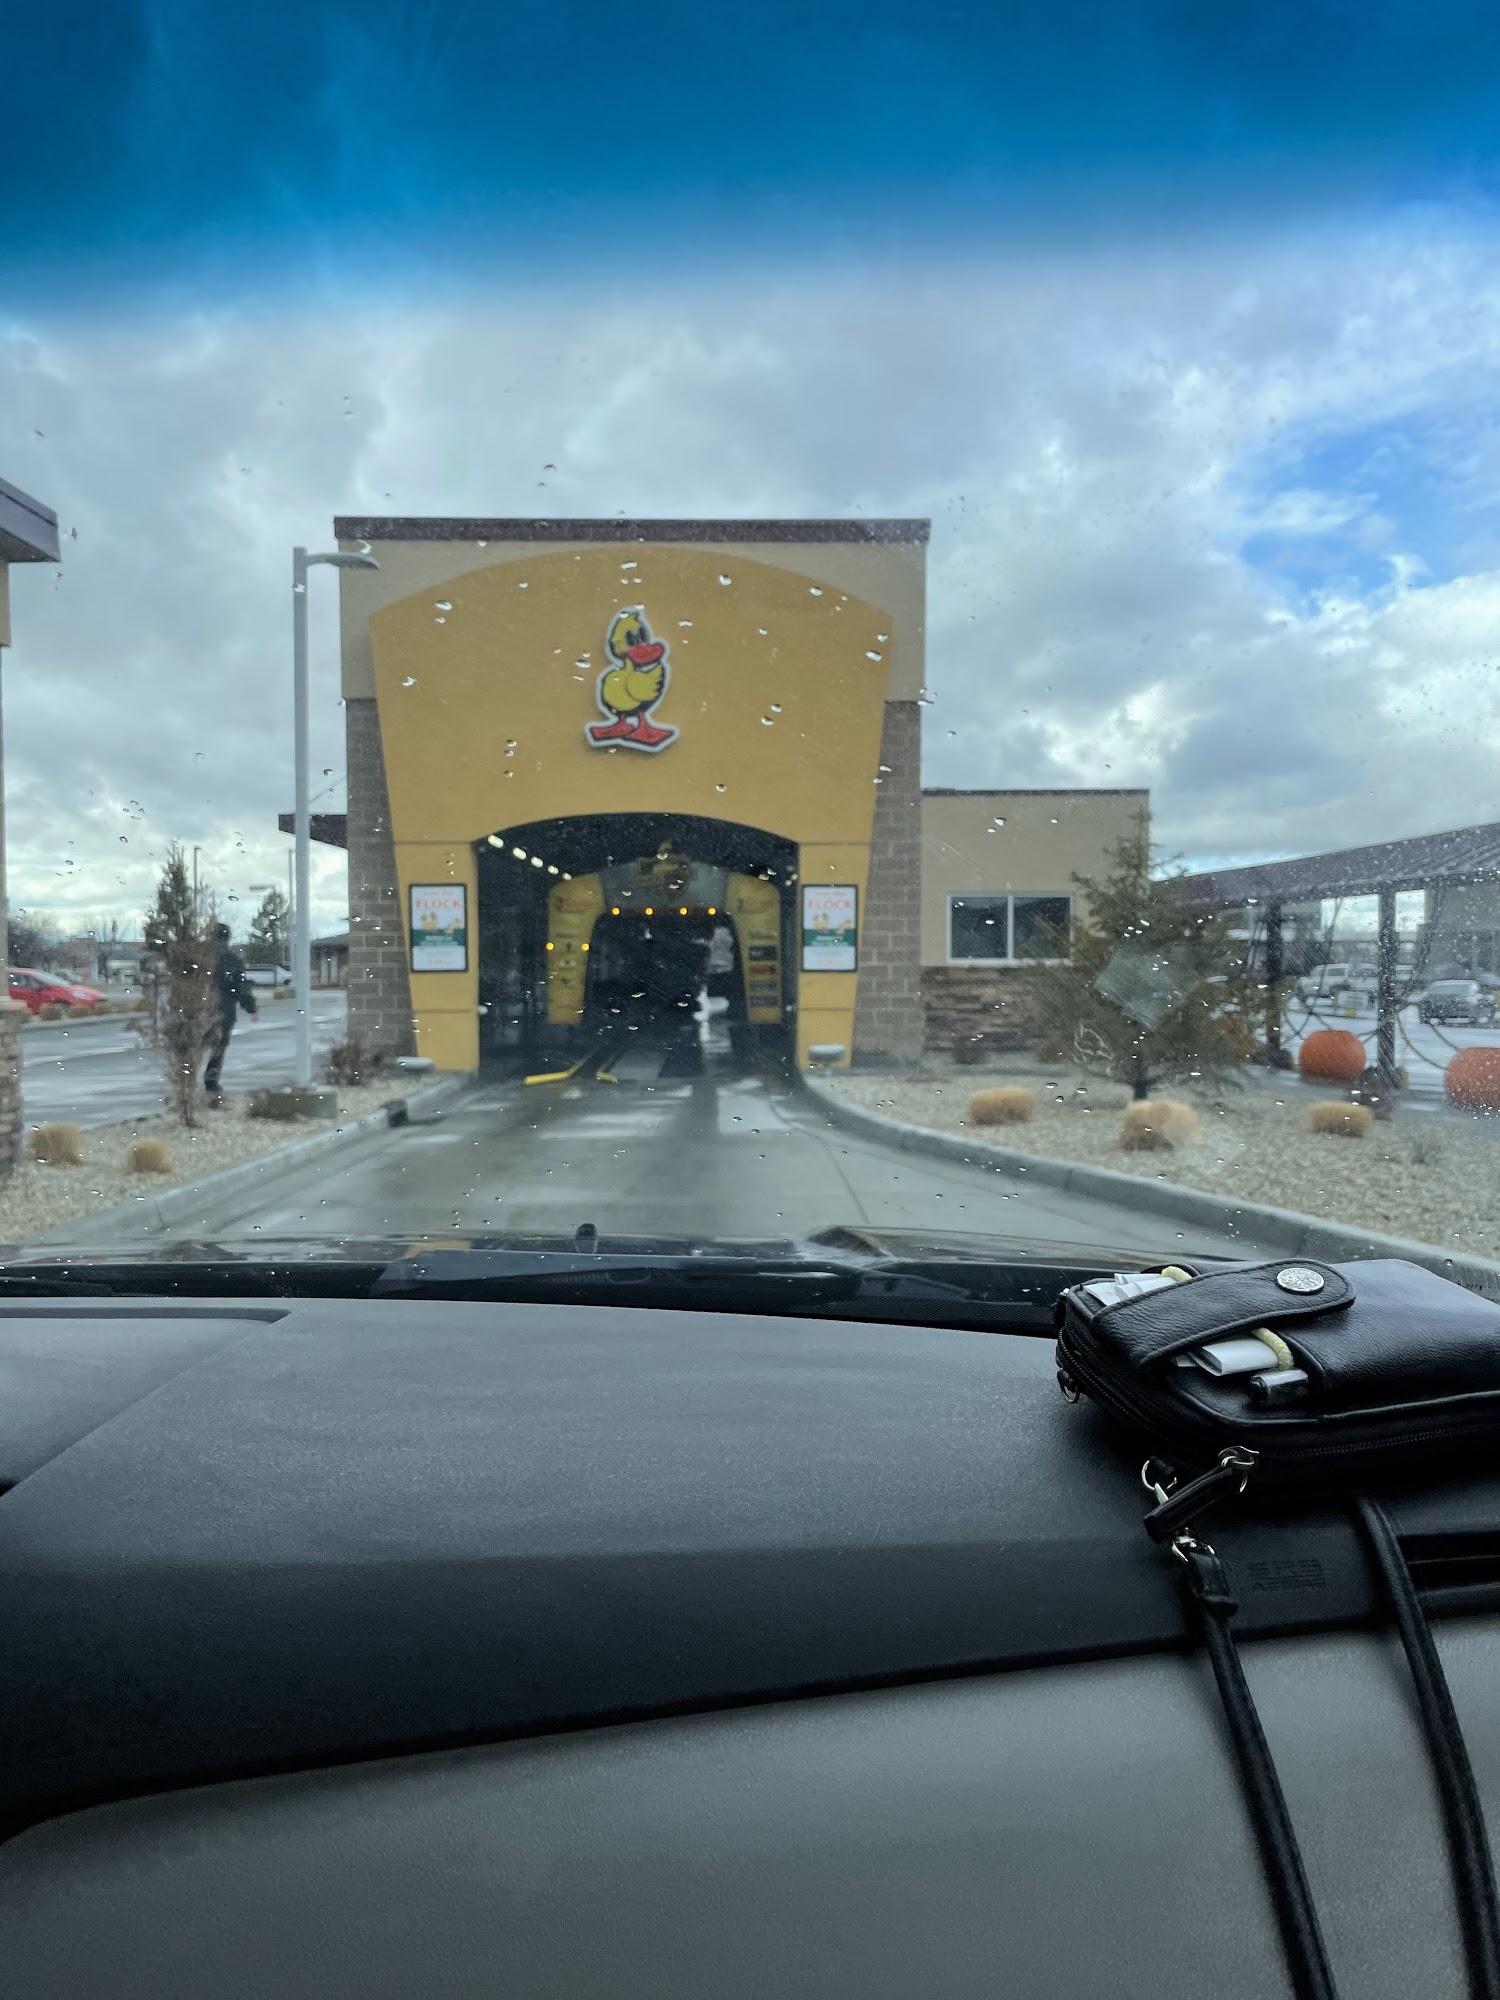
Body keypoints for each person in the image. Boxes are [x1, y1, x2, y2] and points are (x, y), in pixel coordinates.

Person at [202, 922, 258, 1107]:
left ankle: (184, 1080)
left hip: (200, 1010)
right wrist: (251, 1007)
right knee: (217, 1049)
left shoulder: (200, 959)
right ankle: (211, 1084)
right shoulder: (232, 960)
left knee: (194, 1046)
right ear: (227, 937)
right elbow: (241, 986)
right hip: (224, 1010)